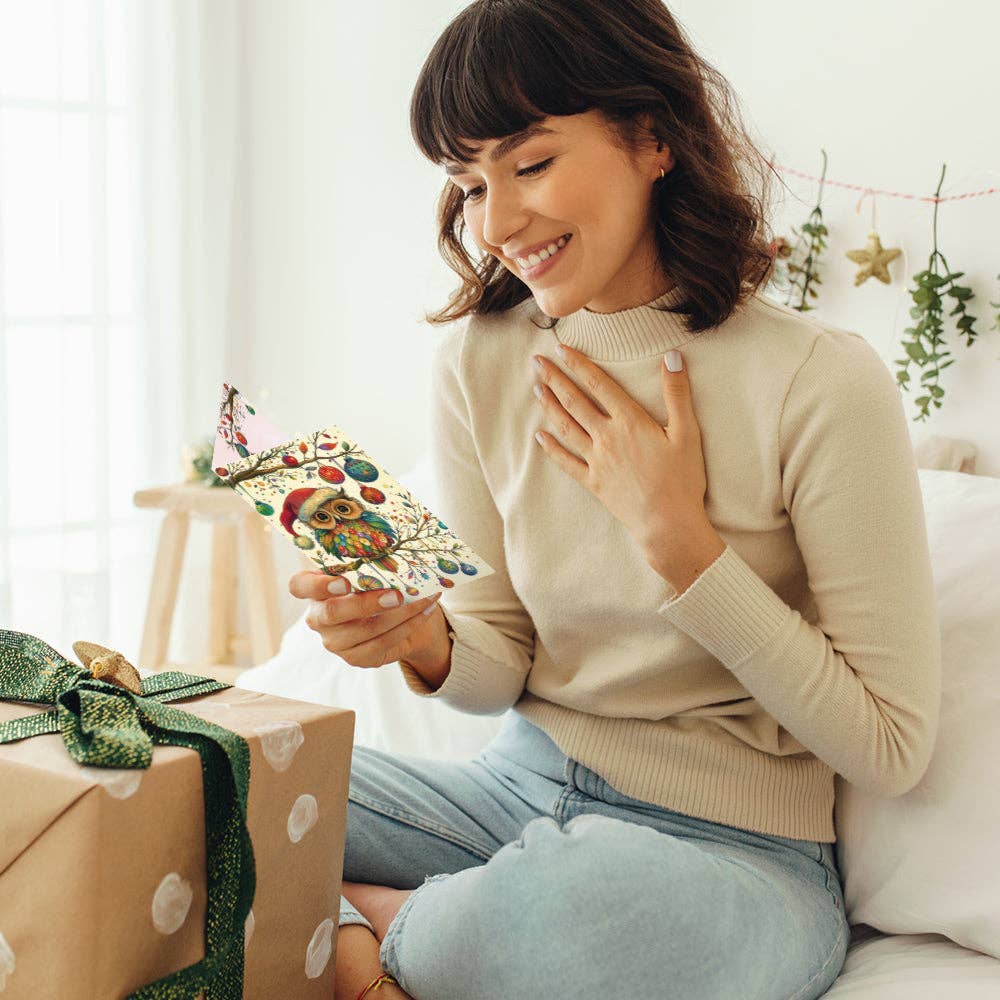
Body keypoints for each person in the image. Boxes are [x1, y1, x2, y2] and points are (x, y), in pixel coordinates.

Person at [289, 2, 941, 998]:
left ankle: (355, 925)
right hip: (509, 792)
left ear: (653, 137)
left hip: (734, 853)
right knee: (205, 771)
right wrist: (419, 641)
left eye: (530, 163)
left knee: (542, 920)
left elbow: (889, 746)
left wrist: (684, 546)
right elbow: (497, 659)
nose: (496, 224)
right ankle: (382, 930)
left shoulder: (820, 380)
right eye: (469, 184)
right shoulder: (478, 362)